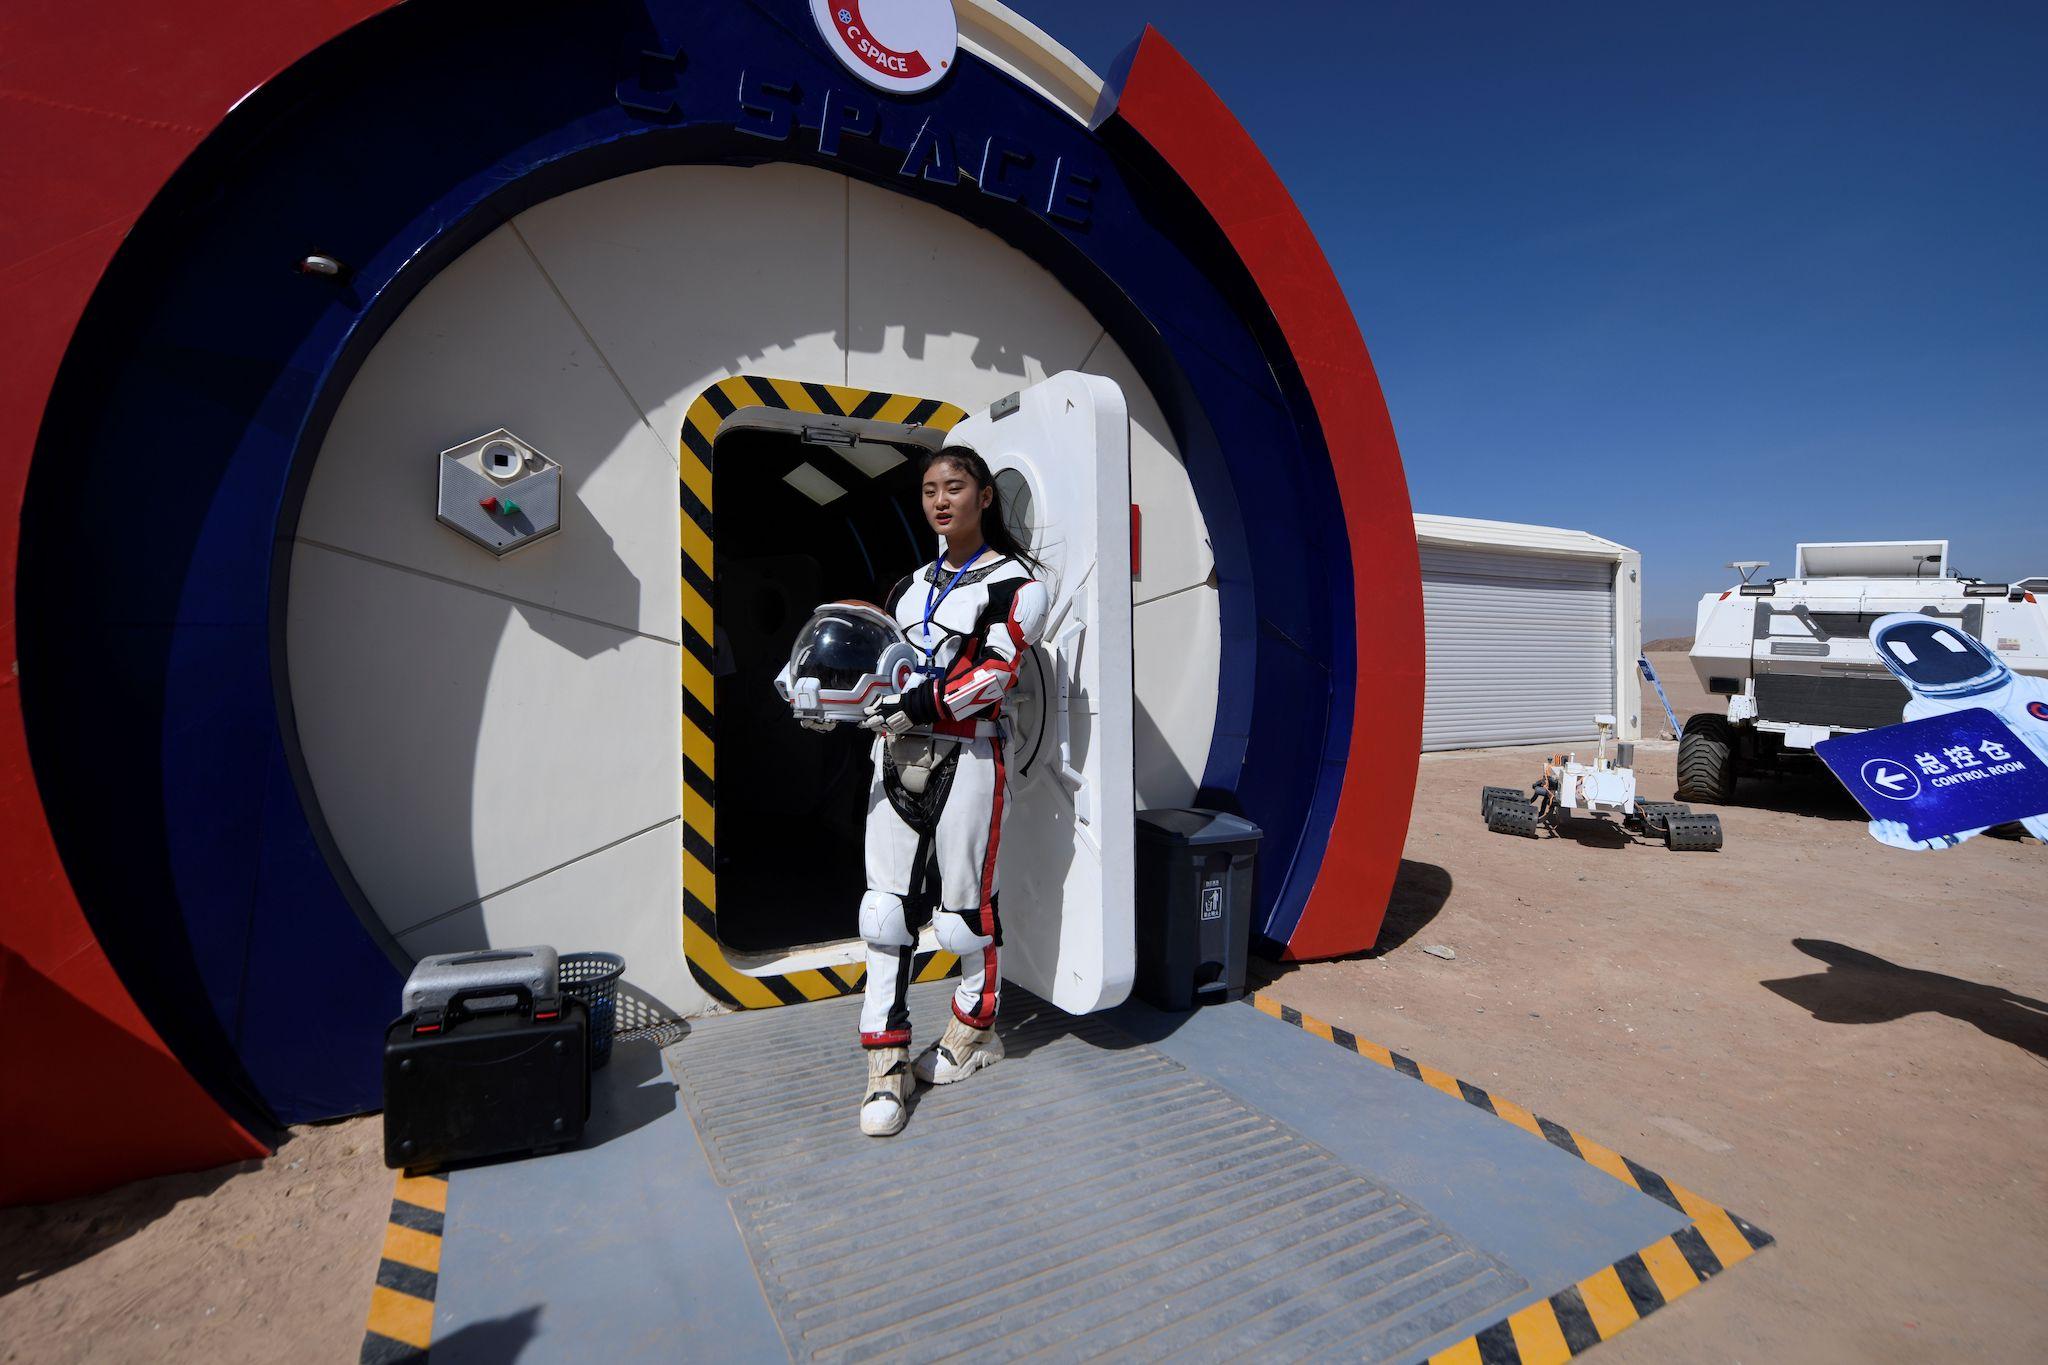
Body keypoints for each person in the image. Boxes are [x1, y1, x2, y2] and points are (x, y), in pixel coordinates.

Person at [849, 445, 1048, 1136]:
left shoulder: (1018, 584)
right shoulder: (905, 587)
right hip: (893, 754)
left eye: (955, 487)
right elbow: (881, 665)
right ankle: (886, 1060)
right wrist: (845, 699)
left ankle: (974, 1027)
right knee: (883, 912)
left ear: (985, 496)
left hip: (970, 754)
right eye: (930, 488)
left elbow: (996, 673)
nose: (940, 500)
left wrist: (919, 703)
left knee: (963, 911)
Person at [1864, 612, 2048, 849]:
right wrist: (1929, 832)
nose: (1934, 655)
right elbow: (1964, 780)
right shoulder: (1925, 712)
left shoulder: (2037, 688)